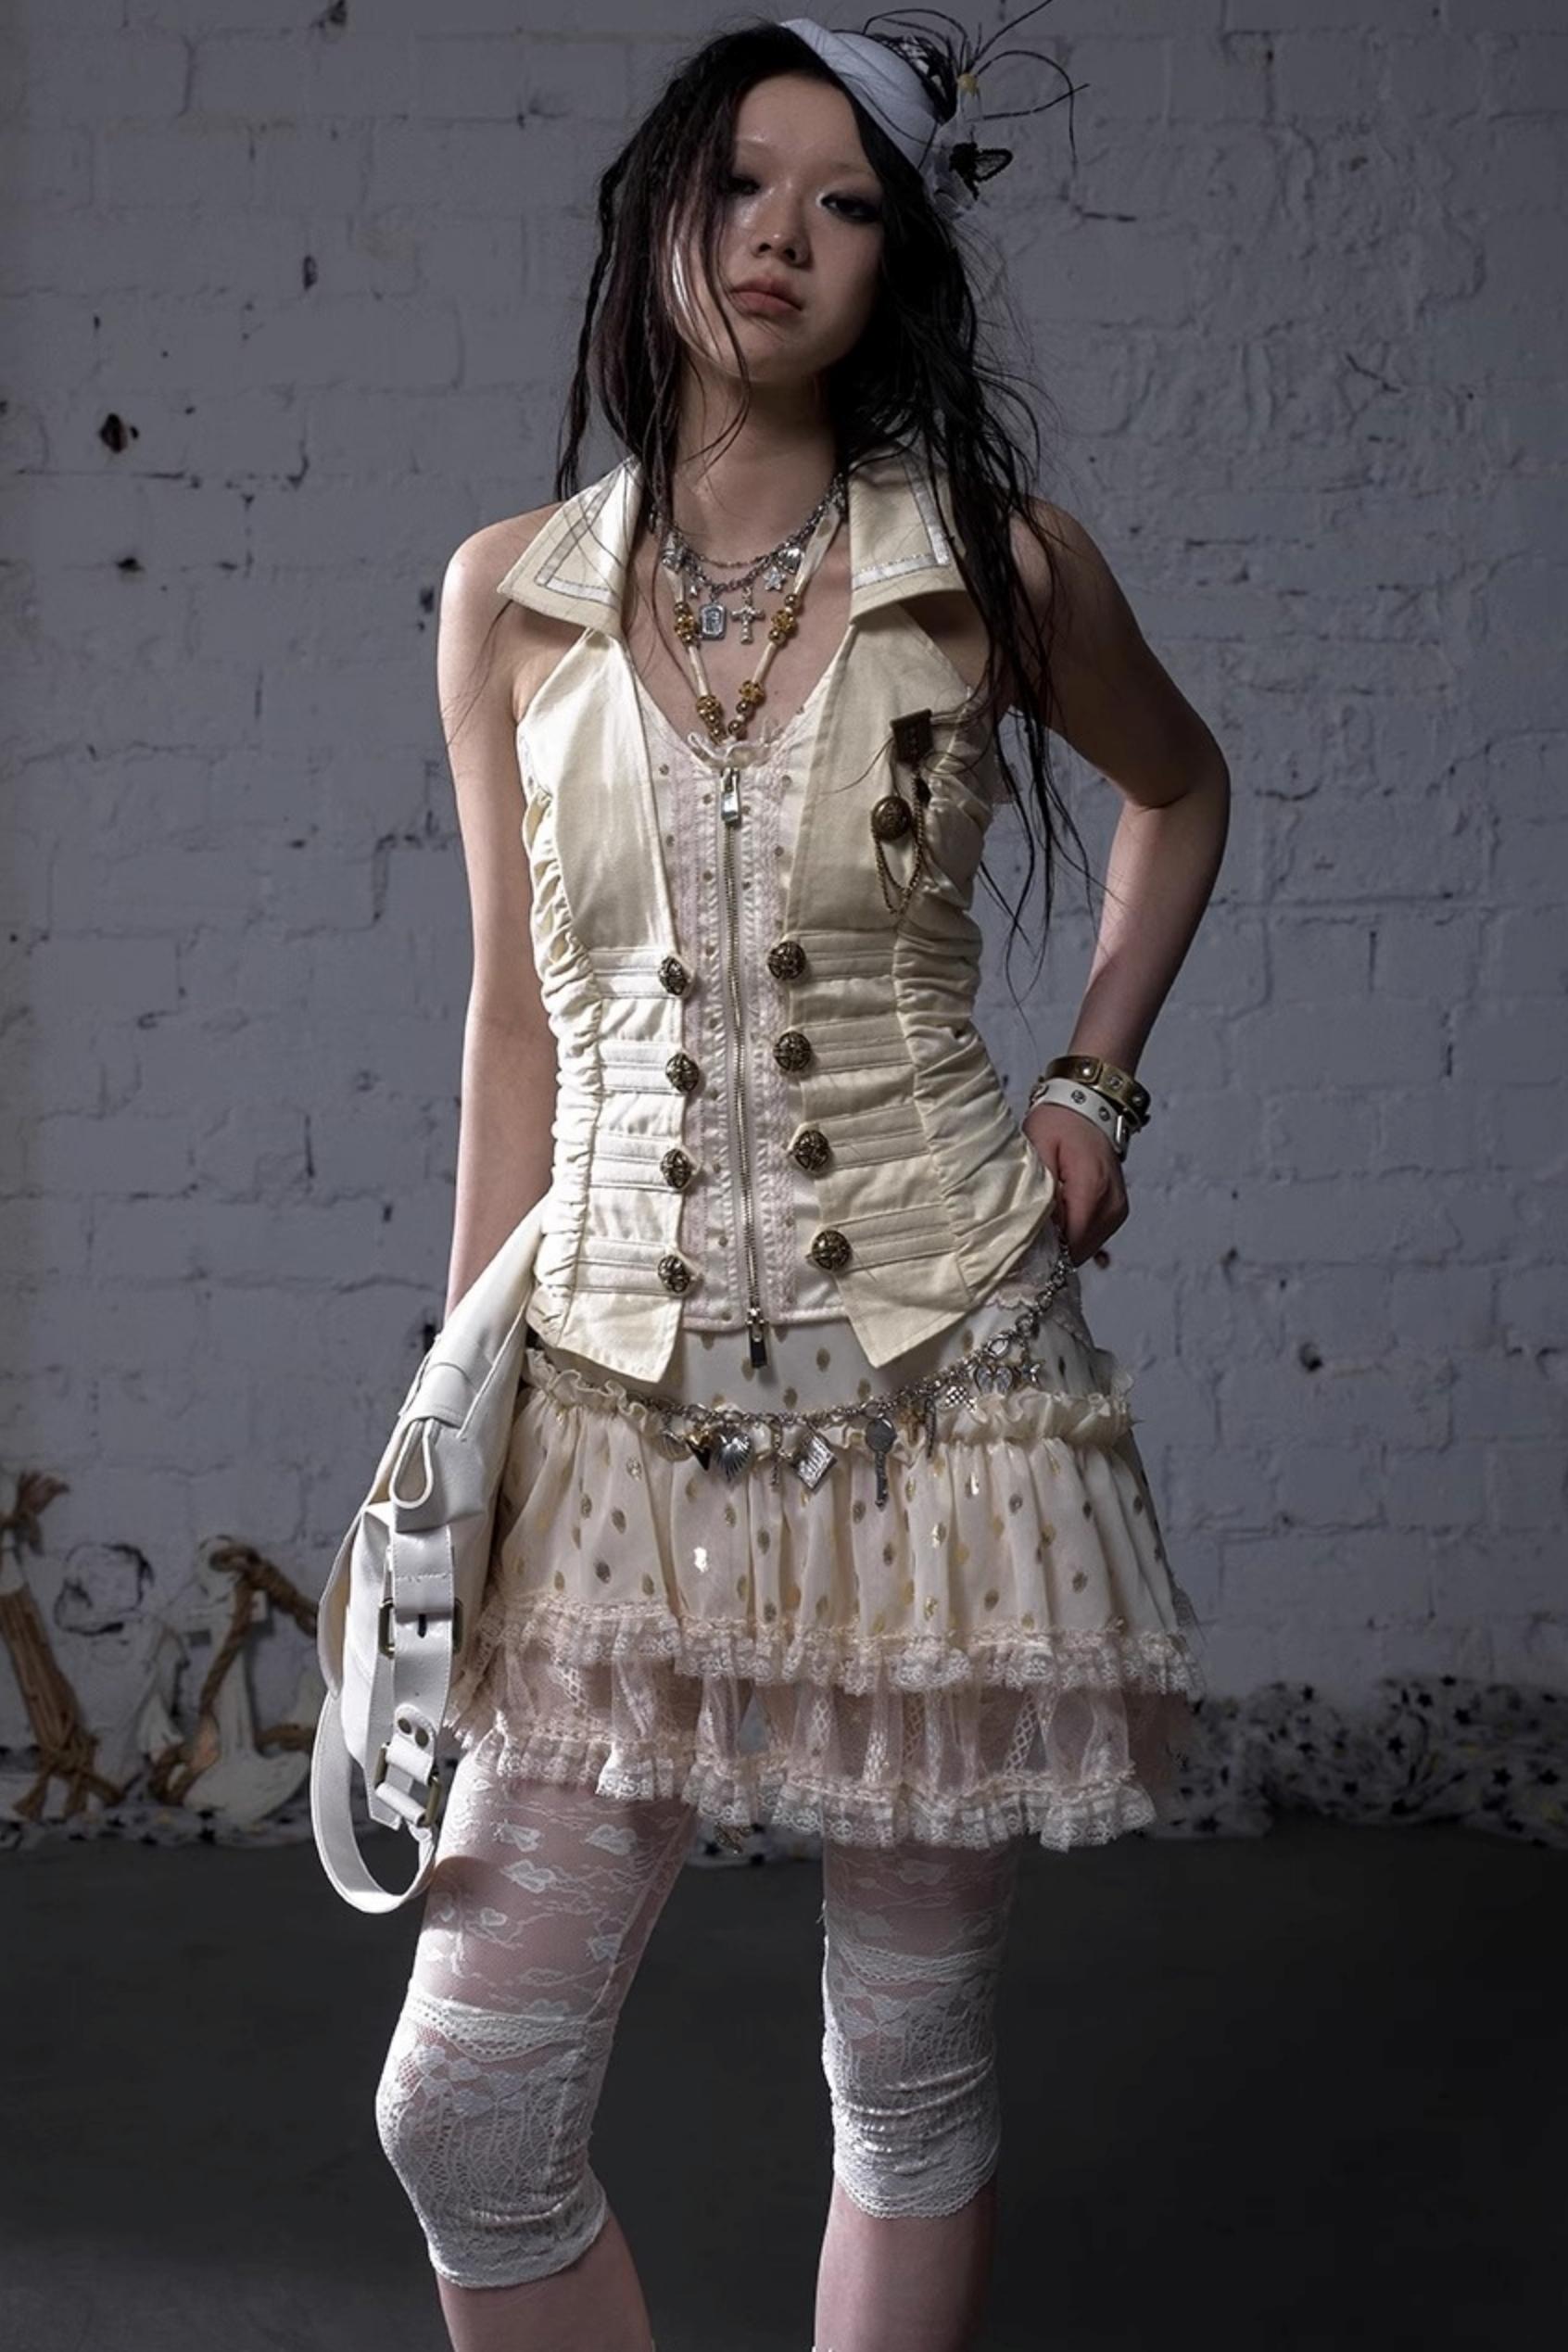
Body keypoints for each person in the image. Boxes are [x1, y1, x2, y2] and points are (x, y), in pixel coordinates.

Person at [371, 11, 1229, 2350]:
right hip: (608, 1397)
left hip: (948, 1391)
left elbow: (1181, 789)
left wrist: (1095, 1087)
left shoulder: (997, 570)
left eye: (845, 203)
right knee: (465, 2111)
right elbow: (518, 1023)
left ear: (896, 265)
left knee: (908, 2079)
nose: (781, 236)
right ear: (658, 211)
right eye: (740, 182)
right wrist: (458, 1430)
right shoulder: (510, 595)